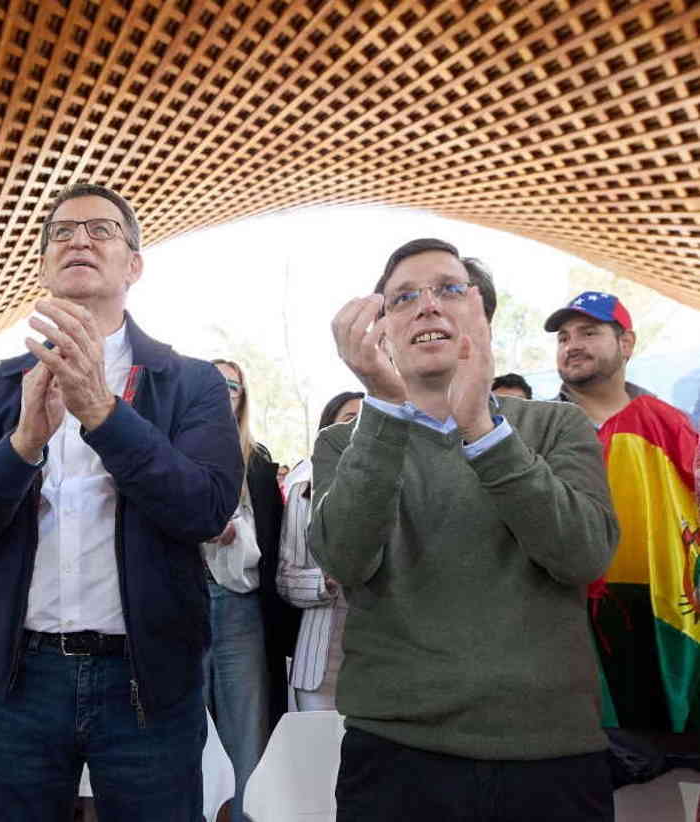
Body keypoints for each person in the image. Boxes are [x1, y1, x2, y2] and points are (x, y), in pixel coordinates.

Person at [0, 184, 242, 821]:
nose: (79, 240)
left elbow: (204, 508)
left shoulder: (190, 383)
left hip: (148, 680)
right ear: (43, 266)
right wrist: (22, 445)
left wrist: (102, 412)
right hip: (21, 679)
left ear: (134, 265)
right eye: (62, 233)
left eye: (100, 230)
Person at [314, 239, 618, 820]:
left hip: (549, 753)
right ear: (380, 329)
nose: (427, 305)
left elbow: (584, 555)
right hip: (396, 757)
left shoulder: (556, 425)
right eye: (403, 297)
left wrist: (483, 428)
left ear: (482, 316)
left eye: (449, 289)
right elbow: (345, 560)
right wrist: (381, 406)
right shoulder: (344, 442)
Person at [547, 291, 700, 735]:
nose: (572, 344)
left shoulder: (671, 425)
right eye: (563, 337)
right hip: (565, 633)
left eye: (589, 332)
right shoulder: (534, 426)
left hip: (661, 630)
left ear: (626, 343)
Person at [202, 358, 298, 822]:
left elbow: (275, 541)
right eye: (213, 382)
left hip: (241, 608)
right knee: (183, 732)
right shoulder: (173, 450)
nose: (223, 391)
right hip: (186, 606)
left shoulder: (257, 459)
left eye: (233, 385)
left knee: (247, 734)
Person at [277, 390, 363, 712]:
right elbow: (285, 578)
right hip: (320, 665)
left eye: (367, 419)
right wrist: (322, 582)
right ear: (328, 429)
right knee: (317, 759)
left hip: (386, 663)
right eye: (349, 419)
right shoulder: (303, 495)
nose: (357, 428)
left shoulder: (404, 489)